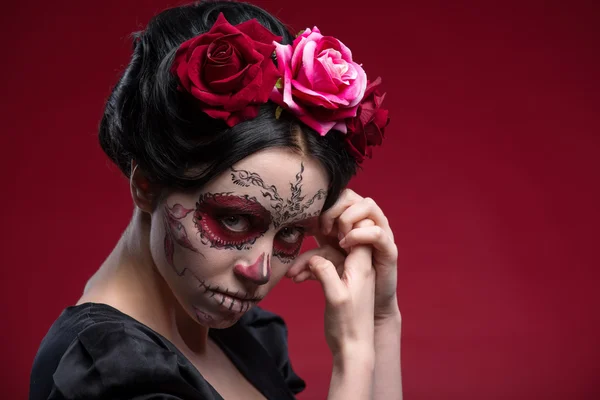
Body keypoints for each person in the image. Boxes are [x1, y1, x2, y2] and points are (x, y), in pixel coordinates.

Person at [29, 1, 402, 399]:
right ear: (147, 183)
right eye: (235, 220)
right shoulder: (109, 377)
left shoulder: (239, 338)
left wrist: (381, 321)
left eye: (291, 231)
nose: (259, 271)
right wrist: (353, 355)